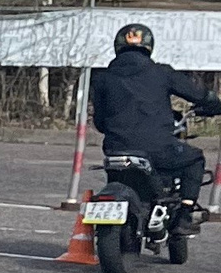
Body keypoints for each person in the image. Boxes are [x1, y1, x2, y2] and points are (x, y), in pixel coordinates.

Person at [89, 22, 219, 194]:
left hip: (116, 150)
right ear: (149, 46)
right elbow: (197, 94)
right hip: (158, 149)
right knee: (194, 159)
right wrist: (214, 104)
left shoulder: (102, 78)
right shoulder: (162, 73)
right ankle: (185, 215)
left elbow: (100, 123)